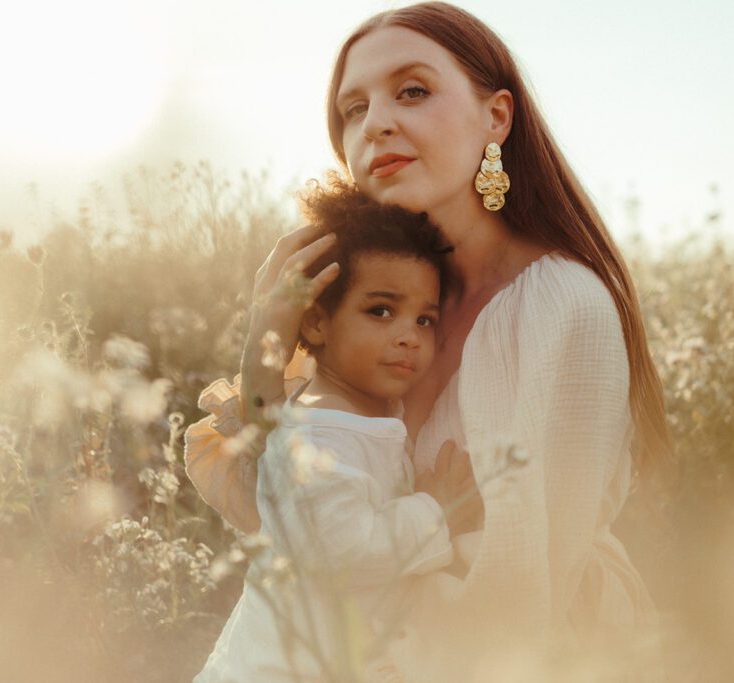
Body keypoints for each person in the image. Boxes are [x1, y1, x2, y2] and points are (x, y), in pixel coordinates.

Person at [186, 2, 676, 680]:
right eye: (352, 110)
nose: (377, 122)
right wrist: (263, 350)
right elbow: (279, 521)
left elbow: (519, 593)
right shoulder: (379, 304)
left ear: (496, 117)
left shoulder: (564, 305)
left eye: (412, 90)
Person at [192, 181, 483, 682]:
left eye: (425, 318)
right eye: (381, 311)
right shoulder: (317, 431)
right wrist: (434, 513)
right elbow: (342, 551)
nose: (408, 335)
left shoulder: (355, 410)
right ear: (318, 324)